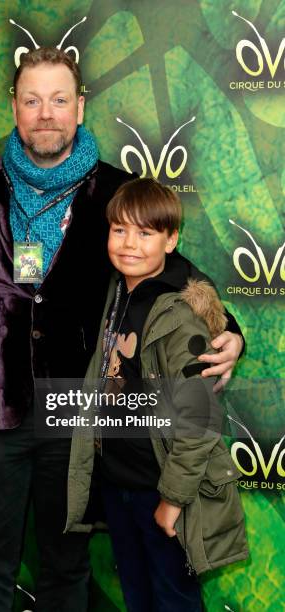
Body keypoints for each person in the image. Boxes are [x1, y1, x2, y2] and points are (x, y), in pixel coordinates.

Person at [0, 47, 244, 611]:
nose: (47, 113)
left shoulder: (116, 191)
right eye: (33, 100)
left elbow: (177, 274)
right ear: (15, 108)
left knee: (66, 574)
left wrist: (231, 328)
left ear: (80, 107)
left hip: (76, 418)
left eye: (59, 100)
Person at [65, 178, 248, 612]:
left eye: (146, 233)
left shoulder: (180, 314)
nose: (129, 244)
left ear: (172, 241)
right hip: (119, 484)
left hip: (161, 490)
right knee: (138, 594)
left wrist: (172, 501)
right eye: (119, 230)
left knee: (173, 598)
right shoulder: (117, 290)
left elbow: (197, 422)